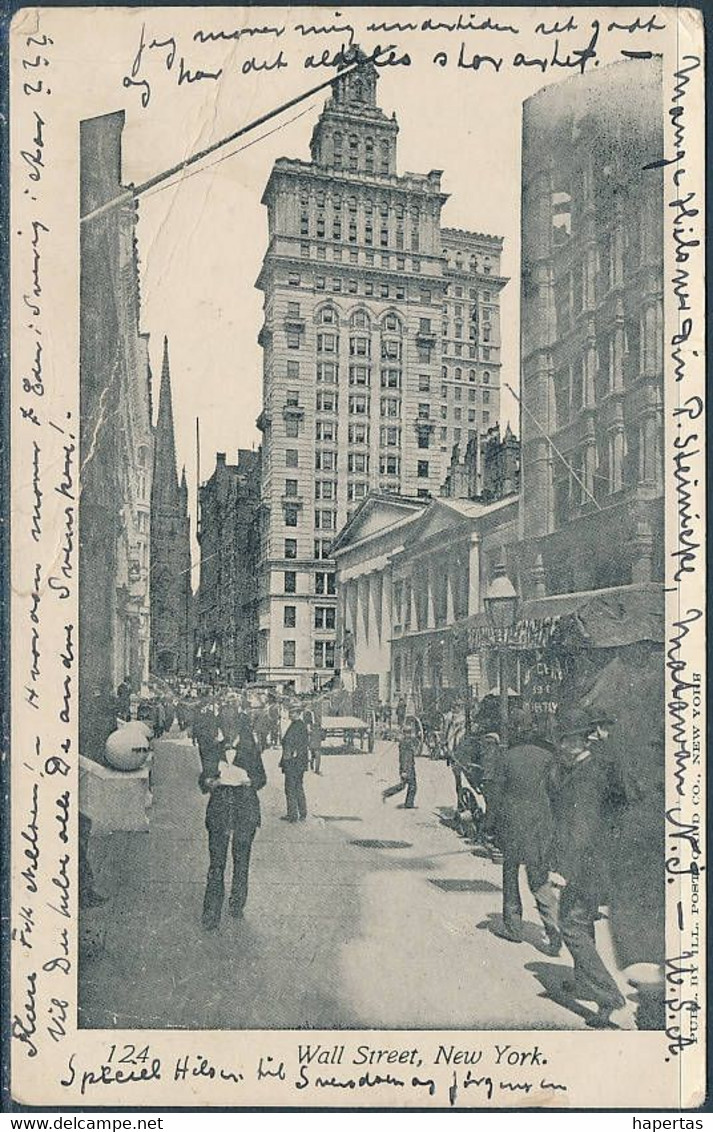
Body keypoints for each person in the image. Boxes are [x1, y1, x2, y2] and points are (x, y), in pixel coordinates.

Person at [548, 707, 629, 1026]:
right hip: (598, 861)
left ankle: (607, 994)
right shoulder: (594, 768)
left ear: (578, 742)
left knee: (571, 926)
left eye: (566, 743)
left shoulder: (585, 776)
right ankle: (585, 982)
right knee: (581, 921)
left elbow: (580, 829)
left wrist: (562, 871)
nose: (563, 748)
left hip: (583, 865)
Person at [495, 729, 561, 954]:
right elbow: (556, 792)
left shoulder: (507, 757)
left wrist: (492, 823)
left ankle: (513, 927)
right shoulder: (548, 758)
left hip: (512, 826)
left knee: (510, 874)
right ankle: (554, 930)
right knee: (539, 879)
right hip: (540, 827)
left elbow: (496, 792)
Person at [200, 711, 267, 930]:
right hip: (219, 811)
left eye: (230, 728)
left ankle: (237, 903)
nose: (226, 733)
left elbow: (261, 779)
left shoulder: (250, 750)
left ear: (239, 729)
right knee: (216, 864)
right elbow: (203, 780)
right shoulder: (214, 749)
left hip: (244, 811)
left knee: (241, 861)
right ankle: (211, 913)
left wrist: (249, 781)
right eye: (223, 728)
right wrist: (210, 782)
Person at [279, 705, 310, 821]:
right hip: (297, 762)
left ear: (298, 713)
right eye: (290, 712)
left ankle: (292, 815)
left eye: (292, 713)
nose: (290, 715)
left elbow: (296, 745)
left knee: (290, 788)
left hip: (293, 762)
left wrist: (291, 757)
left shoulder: (298, 726)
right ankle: (302, 813)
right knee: (298, 787)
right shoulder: (298, 725)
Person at [382, 718, 419, 808]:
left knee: (405, 785)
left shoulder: (406, 742)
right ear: (405, 733)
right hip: (407, 768)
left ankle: (387, 794)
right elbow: (404, 758)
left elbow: (415, 744)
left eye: (410, 733)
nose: (409, 735)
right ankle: (408, 803)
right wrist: (404, 771)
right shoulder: (405, 743)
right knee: (411, 786)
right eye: (407, 733)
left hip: (410, 767)